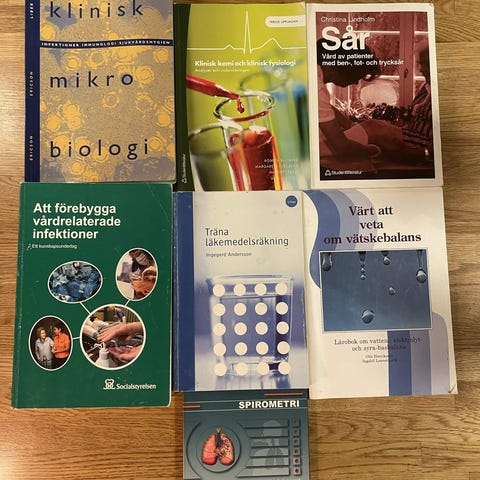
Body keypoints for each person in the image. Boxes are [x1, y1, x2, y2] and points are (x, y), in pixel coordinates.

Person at [316, 38, 381, 158]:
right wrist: (371, 150)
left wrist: (349, 125)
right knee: (374, 129)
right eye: (355, 75)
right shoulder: (316, 86)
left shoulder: (313, 72)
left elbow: (324, 108)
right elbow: (343, 147)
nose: (355, 82)